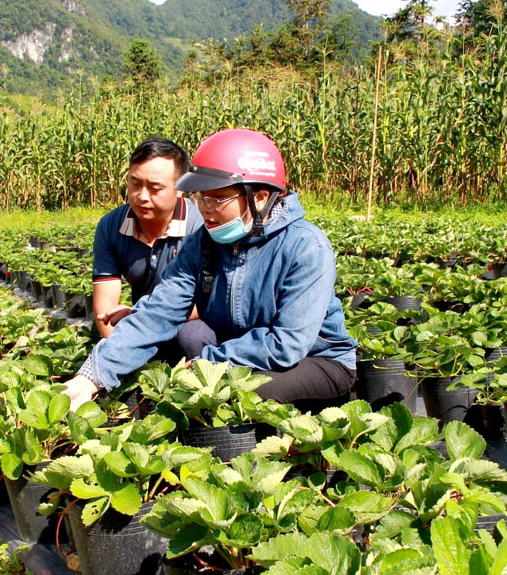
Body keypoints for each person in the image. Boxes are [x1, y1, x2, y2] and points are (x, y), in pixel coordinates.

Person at [65, 128, 356, 410]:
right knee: (191, 341)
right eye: (200, 197)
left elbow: (288, 344)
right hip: (240, 352)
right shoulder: (202, 244)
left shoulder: (305, 247)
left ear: (259, 198)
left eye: (217, 199)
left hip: (316, 359)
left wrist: (213, 361)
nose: (205, 208)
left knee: (246, 392)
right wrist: (91, 377)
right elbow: (157, 313)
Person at [92, 136, 203, 339]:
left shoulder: (200, 227)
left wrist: (143, 315)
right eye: (135, 184)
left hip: (187, 321)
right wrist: (119, 352)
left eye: (155, 188)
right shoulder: (111, 226)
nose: (142, 196)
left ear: (180, 188)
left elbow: (207, 303)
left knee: (194, 336)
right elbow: (105, 307)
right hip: (142, 323)